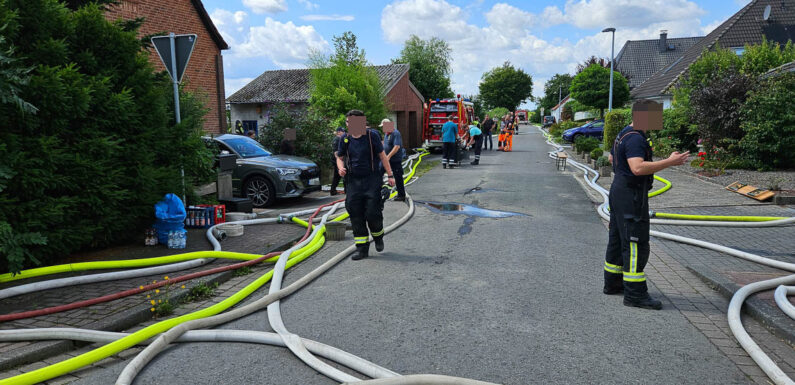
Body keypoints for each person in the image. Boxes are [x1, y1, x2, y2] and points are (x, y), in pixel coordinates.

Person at [603, 100, 690, 310]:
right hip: (631, 194)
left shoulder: (625, 132)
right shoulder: (635, 139)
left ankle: (613, 283)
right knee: (635, 242)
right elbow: (638, 168)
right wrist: (670, 162)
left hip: (619, 191)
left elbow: (611, 158)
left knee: (617, 239)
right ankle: (635, 294)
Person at [337, 110, 396, 261]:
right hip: (353, 182)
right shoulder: (345, 139)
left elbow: (382, 157)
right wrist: (340, 167)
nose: (349, 125)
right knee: (355, 214)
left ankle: (378, 237)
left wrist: (390, 175)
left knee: (372, 213)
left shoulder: (372, 136)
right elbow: (339, 157)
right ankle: (362, 249)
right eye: (348, 122)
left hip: (372, 180)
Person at [380, 118, 406, 201]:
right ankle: (378, 192)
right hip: (386, 159)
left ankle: (401, 195)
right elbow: (386, 144)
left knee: (398, 176)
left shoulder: (395, 133)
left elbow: (397, 147)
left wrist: (388, 156)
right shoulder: (387, 134)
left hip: (394, 159)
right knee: (378, 172)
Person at [330, 127, 346, 196]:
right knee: (341, 175)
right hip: (337, 161)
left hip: (339, 161)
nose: (344, 133)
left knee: (337, 176)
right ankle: (346, 190)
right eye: (343, 131)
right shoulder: (336, 140)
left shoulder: (340, 139)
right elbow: (336, 152)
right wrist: (339, 162)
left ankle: (333, 190)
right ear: (339, 132)